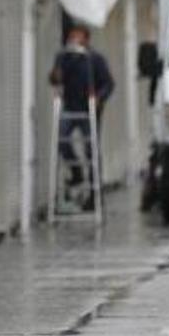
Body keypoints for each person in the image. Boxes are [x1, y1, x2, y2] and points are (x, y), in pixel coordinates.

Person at [49, 25, 115, 210]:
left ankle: (95, 195)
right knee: (61, 141)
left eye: (77, 37)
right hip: (70, 107)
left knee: (91, 150)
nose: (74, 41)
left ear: (86, 39)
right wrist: (56, 76)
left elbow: (108, 83)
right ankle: (76, 171)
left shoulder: (94, 59)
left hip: (89, 111)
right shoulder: (64, 57)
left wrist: (99, 98)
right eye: (72, 37)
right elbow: (55, 78)